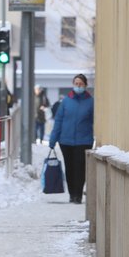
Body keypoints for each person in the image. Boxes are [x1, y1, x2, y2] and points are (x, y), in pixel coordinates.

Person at [49, 74, 94, 204]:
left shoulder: (91, 102)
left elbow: (95, 121)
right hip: (66, 141)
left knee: (80, 168)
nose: (78, 86)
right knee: (70, 168)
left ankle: (78, 194)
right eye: (76, 83)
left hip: (84, 141)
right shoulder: (66, 101)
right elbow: (58, 120)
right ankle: (72, 194)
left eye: (80, 84)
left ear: (85, 85)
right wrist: (53, 140)